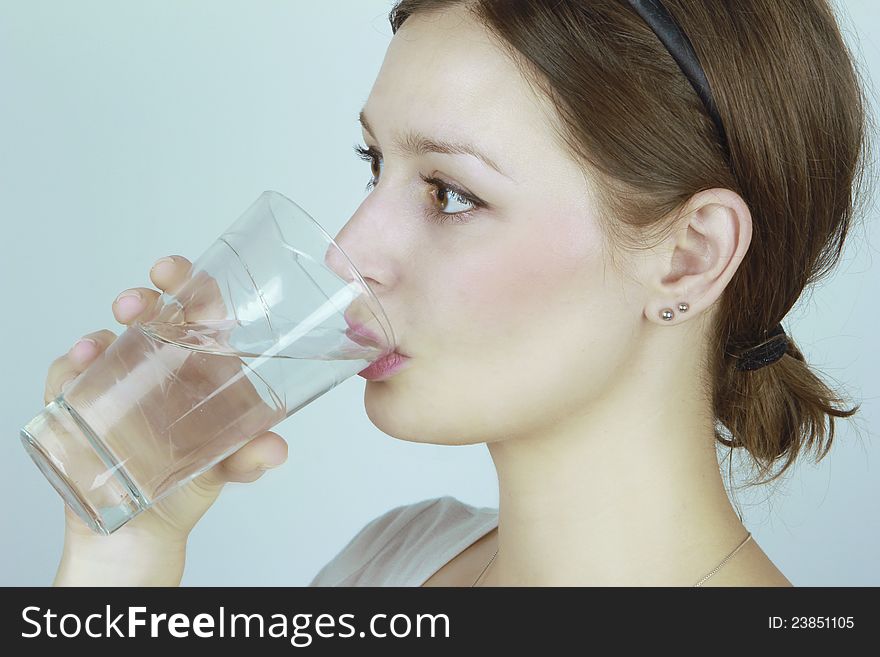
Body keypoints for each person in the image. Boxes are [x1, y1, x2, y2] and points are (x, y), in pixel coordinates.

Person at [47, 0, 871, 586]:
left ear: (689, 257)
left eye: (450, 192)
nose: (351, 253)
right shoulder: (394, 565)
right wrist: (125, 547)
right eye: (375, 166)